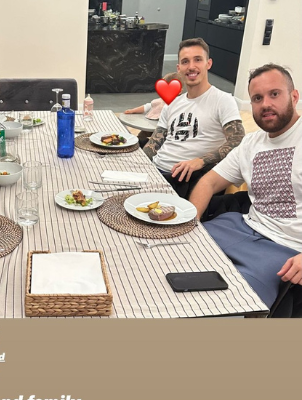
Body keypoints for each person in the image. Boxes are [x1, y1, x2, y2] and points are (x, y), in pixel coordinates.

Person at [189, 64, 302, 309]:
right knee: (175, 253)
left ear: (294, 96)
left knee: (233, 303)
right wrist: (191, 221)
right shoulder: (251, 143)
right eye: (257, 98)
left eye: (274, 94)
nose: (265, 104)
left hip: (286, 247)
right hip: (241, 226)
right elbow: (209, 181)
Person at [143, 38, 245, 197]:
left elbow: (238, 139)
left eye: (198, 60)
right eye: (185, 61)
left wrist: (201, 161)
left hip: (187, 179)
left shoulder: (223, 100)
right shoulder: (172, 104)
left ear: (208, 64)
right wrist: (139, 164)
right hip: (156, 171)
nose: (191, 66)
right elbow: (155, 141)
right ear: (179, 68)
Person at [124, 72, 184, 148]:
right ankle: (140, 142)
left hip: (165, 130)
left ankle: (152, 146)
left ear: (179, 91)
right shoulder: (160, 101)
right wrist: (133, 110)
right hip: (151, 126)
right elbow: (147, 106)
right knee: (142, 134)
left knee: (161, 140)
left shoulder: (180, 103)